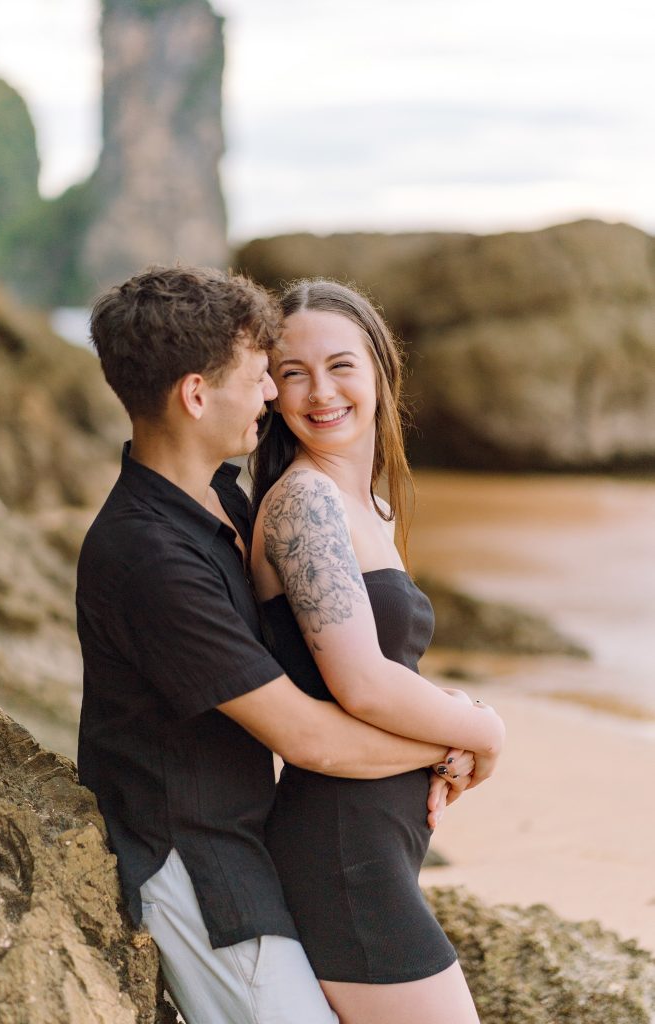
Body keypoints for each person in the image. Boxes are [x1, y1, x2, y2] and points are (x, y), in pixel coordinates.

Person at [76, 266, 472, 1024]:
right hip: (196, 869)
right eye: (267, 375)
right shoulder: (147, 554)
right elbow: (305, 735)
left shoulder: (221, 502)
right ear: (197, 395)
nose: (273, 395)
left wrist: (447, 731)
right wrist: (461, 735)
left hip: (252, 841)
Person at [249, 278, 506, 1024]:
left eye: (340, 365)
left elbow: (390, 679)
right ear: (269, 391)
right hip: (340, 852)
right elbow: (360, 683)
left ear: (380, 370)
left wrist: (444, 731)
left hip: (375, 847)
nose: (318, 391)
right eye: (291, 372)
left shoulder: (370, 505)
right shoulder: (304, 503)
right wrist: (480, 726)